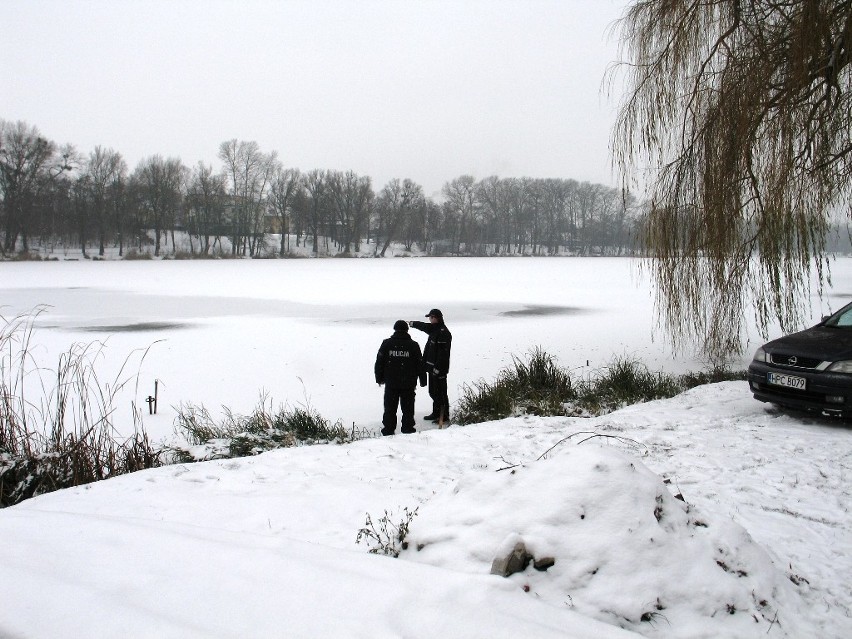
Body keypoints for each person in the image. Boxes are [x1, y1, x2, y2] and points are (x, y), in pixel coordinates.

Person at [374, 320, 427, 436]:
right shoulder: (413, 345)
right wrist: (423, 380)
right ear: (407, 330)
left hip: (391, 383)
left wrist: (379, 378)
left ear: (395, 329)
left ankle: (388, 430)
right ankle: (408, 429)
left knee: (390, 409)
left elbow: (379, 362)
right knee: (408, 409)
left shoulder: (387, 343)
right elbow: (420, 364)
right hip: (408, 383)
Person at [409, 308, 452, 424]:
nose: (430, 319)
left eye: (431, 317)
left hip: (439, 370)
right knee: (433, 392)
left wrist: (438, 369)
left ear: (436, 318)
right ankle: (436, 412)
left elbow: (444, 354)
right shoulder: (434, 329)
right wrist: (412, 324)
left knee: (441, 393)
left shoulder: (443, 332)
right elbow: (424, 326)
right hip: (431, 368)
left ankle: (444, 416)